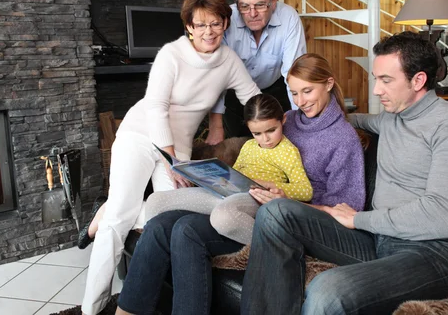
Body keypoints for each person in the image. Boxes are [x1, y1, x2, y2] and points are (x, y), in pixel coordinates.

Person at [241, 31, 448, 315]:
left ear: (418, 80)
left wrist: (359, 218)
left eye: (386, 80)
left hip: (441, 255)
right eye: (376, 78)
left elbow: (444, 217)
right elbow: (347, 122)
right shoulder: (392, 118)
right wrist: (296, 118)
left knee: (328, 290)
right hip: (379, 240)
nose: (376, 90)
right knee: (277, 212)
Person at [113, 53, 365, 315]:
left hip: (289, 218)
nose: (301, 101)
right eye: (294, 93)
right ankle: (127, 312)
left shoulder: (343, 138)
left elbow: (346, 208)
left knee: (187, 229)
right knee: (160, 224)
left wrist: (286, 201)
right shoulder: (287, 119)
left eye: (308, 91)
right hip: (248, 200)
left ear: (329, 83)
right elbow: (256, 154)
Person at [80, 0, 261, 315]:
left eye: (216, 24)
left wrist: (283, 121)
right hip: (141, 134)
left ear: (225, 24)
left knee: (167, 219)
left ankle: (112, 209)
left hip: (179, 148)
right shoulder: (171, 55)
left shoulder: (229, 61)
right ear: (189, 27)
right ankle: (91, 308)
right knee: (117, 224)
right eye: (200, 25)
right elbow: (157, 108)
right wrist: (174, 163)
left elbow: (253, 98)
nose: (209, 32)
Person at [143, 93, 313, 245]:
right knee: (155, 201)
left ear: (283, 120)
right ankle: (160, 253)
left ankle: (279, 246)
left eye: (271, 130)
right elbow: (235, 173)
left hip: (254, 198)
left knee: (223, 217)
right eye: (257, 133)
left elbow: (306, 190)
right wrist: (212, 178)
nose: (266, 139)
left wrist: (270, 185)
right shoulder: (248, 146)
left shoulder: (288, 150)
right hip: (225, 194)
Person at [206, 0, 307, 143]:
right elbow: (217, 77)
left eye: (260, 5)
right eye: (244, 6)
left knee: (283, 144)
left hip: (275, 91)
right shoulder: (225, 21)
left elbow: (294, 74)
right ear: (237, 4)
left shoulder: (289, 17)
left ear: (273, 1)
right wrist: (216, 127)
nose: (252, 14)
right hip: (234, 94)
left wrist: (302, 123)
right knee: (238, 148)